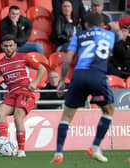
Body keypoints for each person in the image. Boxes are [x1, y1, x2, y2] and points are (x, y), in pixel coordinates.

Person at [51, 12, 120, 163]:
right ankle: (95, 147)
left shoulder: (79, 35)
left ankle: (58, 152)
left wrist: (62, 80)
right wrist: (115, 30)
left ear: (86, 24)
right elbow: (118, 37)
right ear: (102, 24)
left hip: (79, 76)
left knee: (67, 115)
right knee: (108, 110)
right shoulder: (110, 35)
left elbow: (68, 57)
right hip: (98, 77)